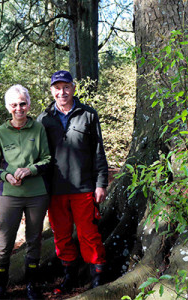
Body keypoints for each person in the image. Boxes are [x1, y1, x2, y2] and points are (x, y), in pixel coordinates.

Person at [37, 70, 108, 294]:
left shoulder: (88, 114)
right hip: (55, 190)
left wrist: (101, 183)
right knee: (61, 235)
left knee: (89, 233)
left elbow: (98, 151)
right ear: (51, 91)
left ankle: (96, 276)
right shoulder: (43, 119)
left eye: (66, 87)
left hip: (84, 187)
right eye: (57, 88)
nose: (62, 92)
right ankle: (69, 275)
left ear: (73, 88)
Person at [0, 84, 51, 300]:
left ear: (29, 104)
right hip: (10, 194)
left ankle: (32, 285)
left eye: (23, 103)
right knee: (5, 242)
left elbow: (48, 159)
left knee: (34, 240)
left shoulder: (38, 128)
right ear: (7, 107)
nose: (19, 108)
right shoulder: (0, 132)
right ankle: (0, 285)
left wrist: (31, 169)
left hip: (37, 194)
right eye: (14, 104)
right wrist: (7, 176)